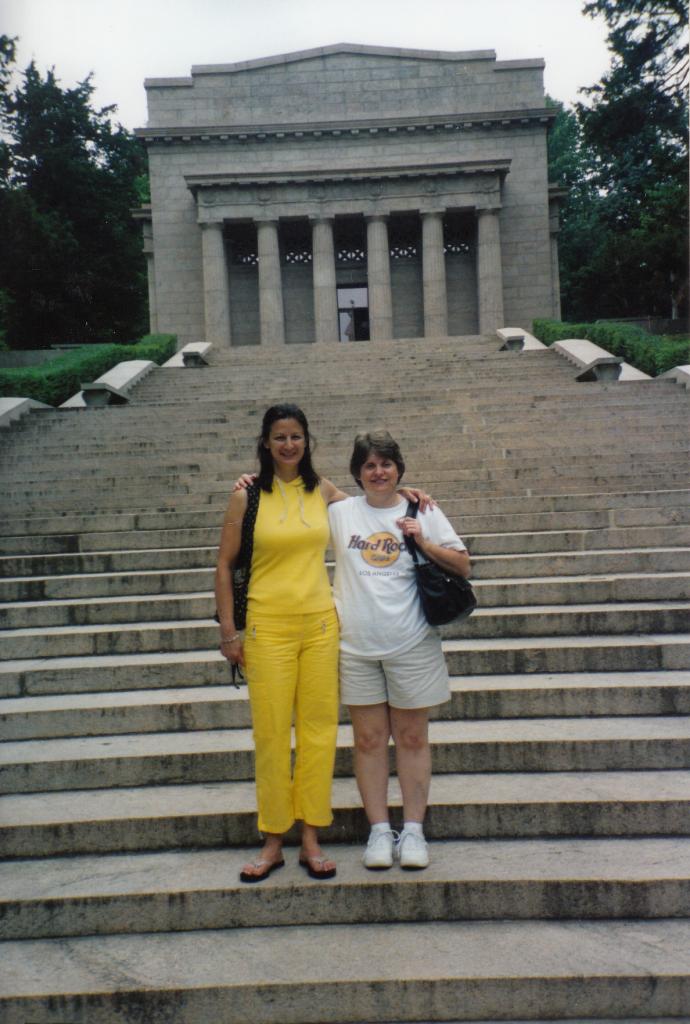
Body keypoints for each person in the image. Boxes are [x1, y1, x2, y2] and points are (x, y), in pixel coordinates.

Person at [216, 406, 430, 883]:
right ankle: (273, 839)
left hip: (319, 626)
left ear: (307, 442)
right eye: (279, 437)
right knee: (271, 734)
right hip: (266, 626)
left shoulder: (323, 490)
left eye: (296, 436)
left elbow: (374, 500)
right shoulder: (246, 497)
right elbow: (225, 565)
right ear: (266, 443)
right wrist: (229, 632)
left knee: (317, 734)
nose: (288, 445)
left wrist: (410, 497)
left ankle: (312, 836)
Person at [328, 432, 470, 870]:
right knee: (368, 740)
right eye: (369, 465)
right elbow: (293, 471)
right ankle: (377, 832)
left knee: (411, 738)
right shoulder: (341, 511)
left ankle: (412, 831)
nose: (379, 472)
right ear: (356, 472)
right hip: (356, 646)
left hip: (411, 641)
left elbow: (464, 564)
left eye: (386, 464)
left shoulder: (421, 509)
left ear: (399, 469)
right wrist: (246, 480)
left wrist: (421, 540)